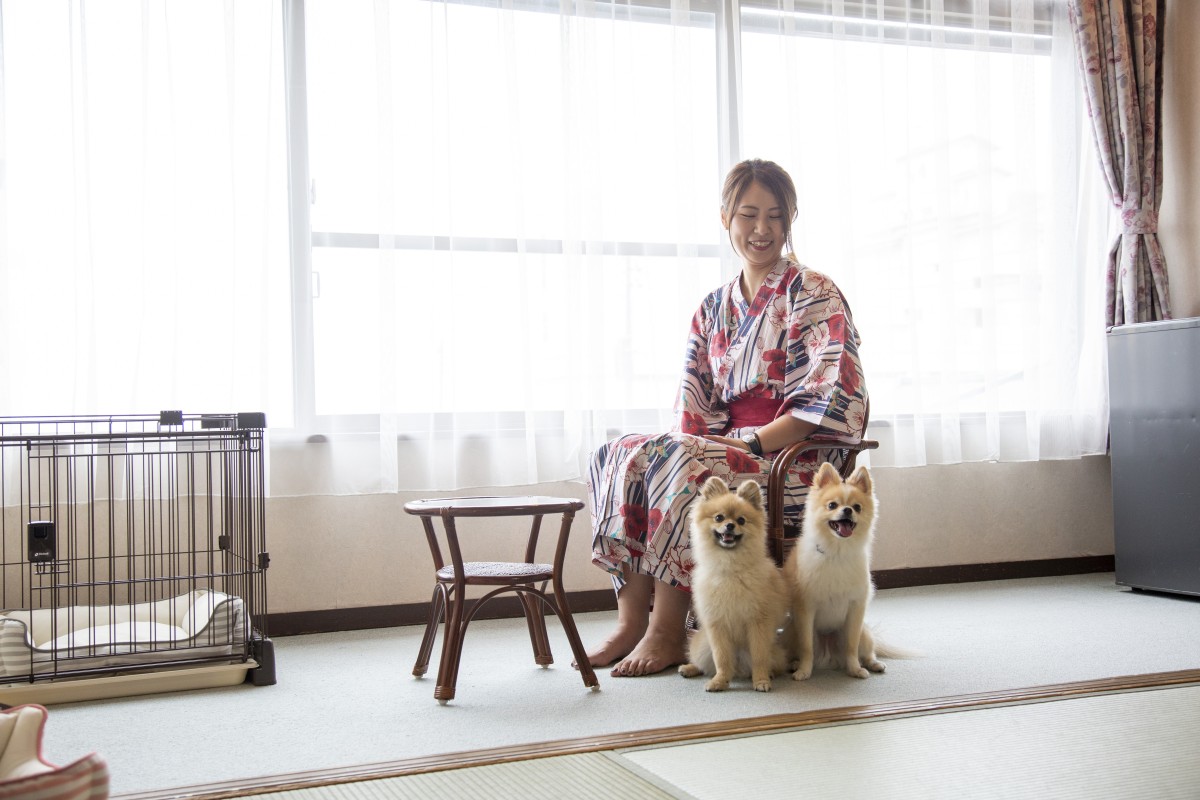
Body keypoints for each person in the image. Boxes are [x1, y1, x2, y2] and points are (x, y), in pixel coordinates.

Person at [584, 158, 869, 677]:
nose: (762, 230)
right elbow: (694, 406)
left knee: (682, 460)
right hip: (723, 449)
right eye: (748, 214)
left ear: (790, 221)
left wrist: (751, 445)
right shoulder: (712, 307)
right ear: (725, 219)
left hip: (788, 455)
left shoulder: (814, 292)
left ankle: (667, 630)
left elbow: (824, 397)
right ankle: (630, 620)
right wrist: (697, 445)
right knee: (619, 449)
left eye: (776, 217)